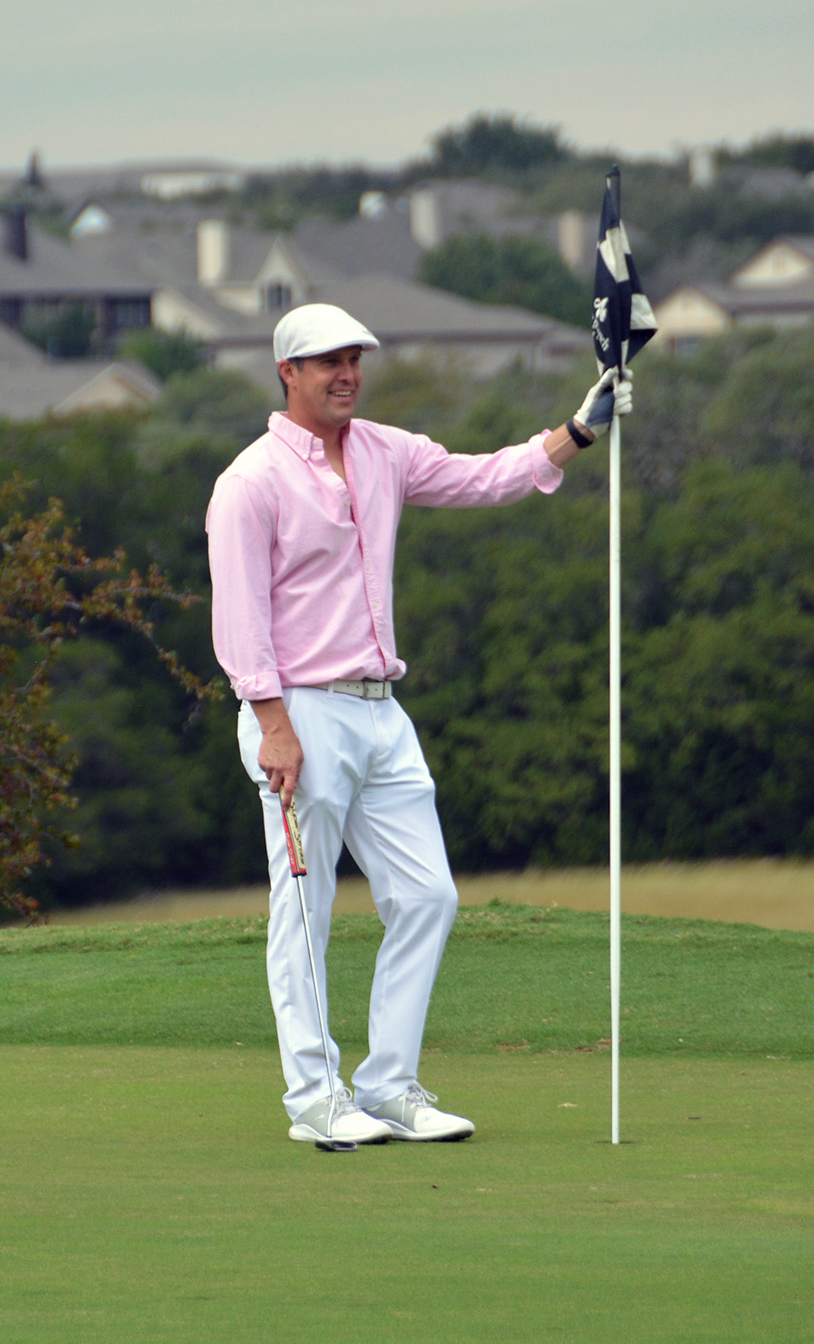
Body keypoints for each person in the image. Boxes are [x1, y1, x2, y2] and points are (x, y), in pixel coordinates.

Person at [204, 303, 629, 1146]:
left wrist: (580, 430)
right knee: (304, 908)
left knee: (429, 895)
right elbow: (239, 620)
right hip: (298, 717)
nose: (346, 375)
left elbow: (483, 476)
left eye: (355, 360)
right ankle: (315, 1099)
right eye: (328, 362)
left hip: (381, 713)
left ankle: (389, 1084)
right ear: (287, 372)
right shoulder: (249, 481)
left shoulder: (385, 451)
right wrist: (274, 726)